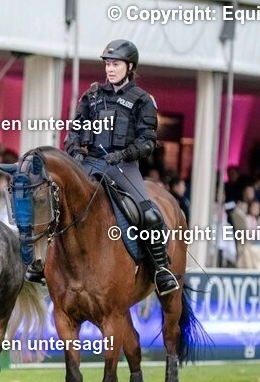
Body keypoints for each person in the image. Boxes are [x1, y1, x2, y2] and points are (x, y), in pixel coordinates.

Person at [61, 39, 179, 296]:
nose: (110, 69)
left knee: (150, 214)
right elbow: (75, 131)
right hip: (88, 163)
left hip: (122, 166)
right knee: (57, 200)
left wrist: (123, 154)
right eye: (107, 64)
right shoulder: (91, 96)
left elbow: (148, 141)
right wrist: (74, 153)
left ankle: (161, 269)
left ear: (130, 66)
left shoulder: (142, 100)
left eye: (115, 64)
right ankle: (43, 264)